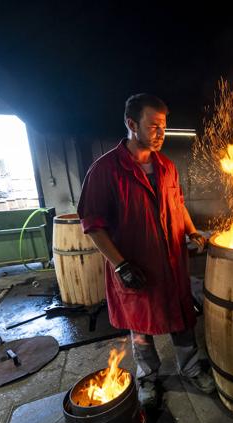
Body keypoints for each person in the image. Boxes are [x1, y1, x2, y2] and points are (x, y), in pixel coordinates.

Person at [77, 93, 215, 406]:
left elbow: (177, 205)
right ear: (131, 124)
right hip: (135, 267)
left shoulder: (166, 166)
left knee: (181, 318)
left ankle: (192, 367)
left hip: (171, 263)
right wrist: (120, 265)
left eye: (163, 126)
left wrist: (192, 230)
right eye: (153, 126)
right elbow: (93, 224)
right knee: (140, 328)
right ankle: (148, 376)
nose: (160, 133)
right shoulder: (105, 171)